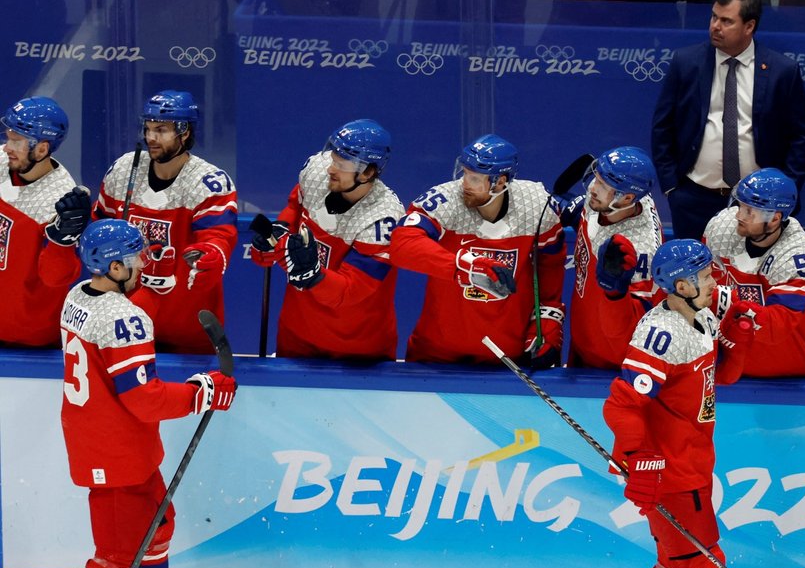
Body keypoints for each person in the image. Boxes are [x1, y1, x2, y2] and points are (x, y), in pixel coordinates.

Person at [59, 219, 237, 568]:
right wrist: (202, 391)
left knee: (157, 526)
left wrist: (151, 292)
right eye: (136, 259)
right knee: (117, 553)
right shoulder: (124, 318)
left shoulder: (79, 294)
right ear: (114, 266)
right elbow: (143, 398)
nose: (144, 263)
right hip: (112, 447)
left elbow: (116, 325)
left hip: (118, 442)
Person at [603, 238, 754, 568]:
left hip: (692, 465)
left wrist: (741, 338)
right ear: (682, 285)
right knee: (704, 564)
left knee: (675, 562)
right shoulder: (661, 333)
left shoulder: (702, 319)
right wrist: (637, 458)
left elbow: (717, 382)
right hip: (671, 473)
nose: (715, 282)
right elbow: (622, 404)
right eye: (706, 276)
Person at [651, 0, 805, 241]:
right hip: (693, 199)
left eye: (726, 21)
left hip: (759, 204)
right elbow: (663, 126)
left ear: (749, 26)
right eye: (714, 17)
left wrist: (785, 189)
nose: (716, 26)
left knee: (751, 277)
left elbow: (803, 136)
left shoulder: (782, 71)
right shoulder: (686, 63)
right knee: (694, 277)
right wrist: (672, 186)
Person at [388, 134, 566, 367]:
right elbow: (402, 245)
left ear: (500, 182)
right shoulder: (445, 200)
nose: (463, 183)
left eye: (474, 178)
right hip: (435, 357)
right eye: (464, 173)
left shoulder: (536, 206)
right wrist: (464, 266)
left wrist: (547, 329)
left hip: (508, 359)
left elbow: (549, 278)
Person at [91, 90, 239, 354]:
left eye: (161, 130)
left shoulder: (208, 182)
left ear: (185, 133)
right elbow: (99, 224)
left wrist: (211, 256)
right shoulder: (124, 169)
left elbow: (218, 236)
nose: (150, 137)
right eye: (147, 128)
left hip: (187, 329)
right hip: (125, 324)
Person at [249, 119, 402, 361]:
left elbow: (351, 291)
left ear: (368, 172)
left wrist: (312, 274)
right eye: (333, 158)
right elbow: (294, 208)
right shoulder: (318, 171)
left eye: (342, 164)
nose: (331, 167)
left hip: (358, 350)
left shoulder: (384, 219)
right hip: (296, 333)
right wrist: (275, 238)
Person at [703, 167, 805, 377]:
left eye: (749, 211)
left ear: (775, 219)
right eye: (740, 205)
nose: (738, 215)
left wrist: (723, 299)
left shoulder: (797, 253)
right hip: (736, 355)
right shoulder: (721, 228)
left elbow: (777, 327)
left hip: (794, 363)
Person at [561, 146, 664, 369]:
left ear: (626, 198)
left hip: (607, 360)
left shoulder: (638, 251)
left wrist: (615, 294)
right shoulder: (631, 200)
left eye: (602, 185)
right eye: (596, 178)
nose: (591, 189)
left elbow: (634, 330)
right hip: (583, 335)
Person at [0, 96, 89, 348]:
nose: (7, 147)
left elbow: (54, 279)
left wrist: (63, 241)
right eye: (8, 137)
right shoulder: (1, 161)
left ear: (41, 149)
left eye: (16, 141)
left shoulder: (59, 199)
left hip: (27, 339)